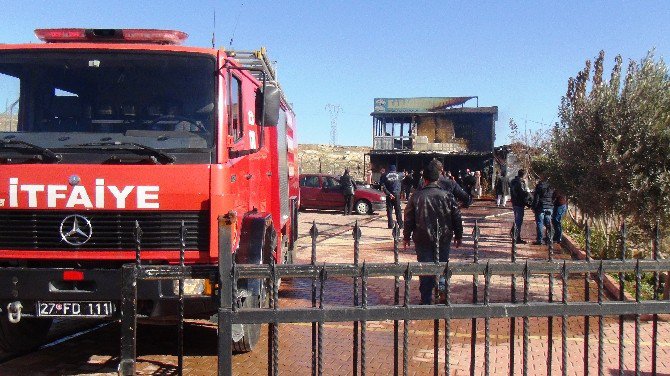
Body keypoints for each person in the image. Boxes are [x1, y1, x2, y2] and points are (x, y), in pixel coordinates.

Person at [403, 162, 463, 305]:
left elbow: (409, 217)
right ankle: (442, 294)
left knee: (425, 268)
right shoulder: (447, 195)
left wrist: (406, 236)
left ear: (424, 180)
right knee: (442, 265)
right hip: (443, 236)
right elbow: (456, 216)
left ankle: (426, 298)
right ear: (437, 179)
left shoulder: (417, 196)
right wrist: (458, 235)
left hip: (422, 237)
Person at [509, 169, 531, 244]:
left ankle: (514, 233)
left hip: (515, 203)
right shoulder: (520, 183)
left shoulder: (513, 181)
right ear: (524, 175)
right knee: (519, 221)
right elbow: (523, 194)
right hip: (519, 203)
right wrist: (529, 201)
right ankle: (516, 237)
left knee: (517, 219)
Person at [531, 175, 554, 245]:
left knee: (540, 223)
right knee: (548, 224)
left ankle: (539, 240)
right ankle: (549, 239)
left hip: (541, 207)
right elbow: (553, 196)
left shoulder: (539, 186)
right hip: (549, 207)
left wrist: (533, 207)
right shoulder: (551, 186)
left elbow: (536, 198)